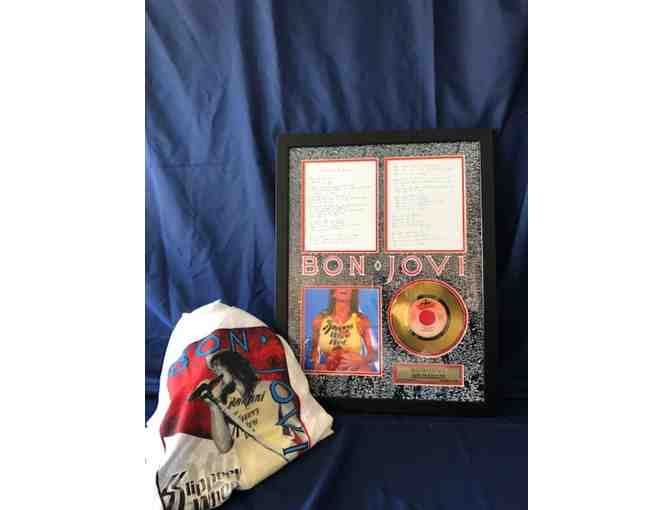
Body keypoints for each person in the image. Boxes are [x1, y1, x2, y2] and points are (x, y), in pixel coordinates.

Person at [189, 350, 309, 461]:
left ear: (232, 364)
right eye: (214, 370)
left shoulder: (272, 388)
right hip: (254, 473)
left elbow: (295, 425)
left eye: (218, 366)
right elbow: (224, 446)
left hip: (286, 460)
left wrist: (307, 452)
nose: (216, 374)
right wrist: (213, 406)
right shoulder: (223, 403)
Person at [309, 288, 376, 372]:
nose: (344, 288)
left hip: (356, 370)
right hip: (330, 370)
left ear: (353, 293)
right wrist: (317, 366)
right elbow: (314, 349)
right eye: (339, 286)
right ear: (333, 293)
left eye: (348, 286)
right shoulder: (320, 319)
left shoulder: (361, 320)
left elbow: (374, 354)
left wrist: (362, 361)